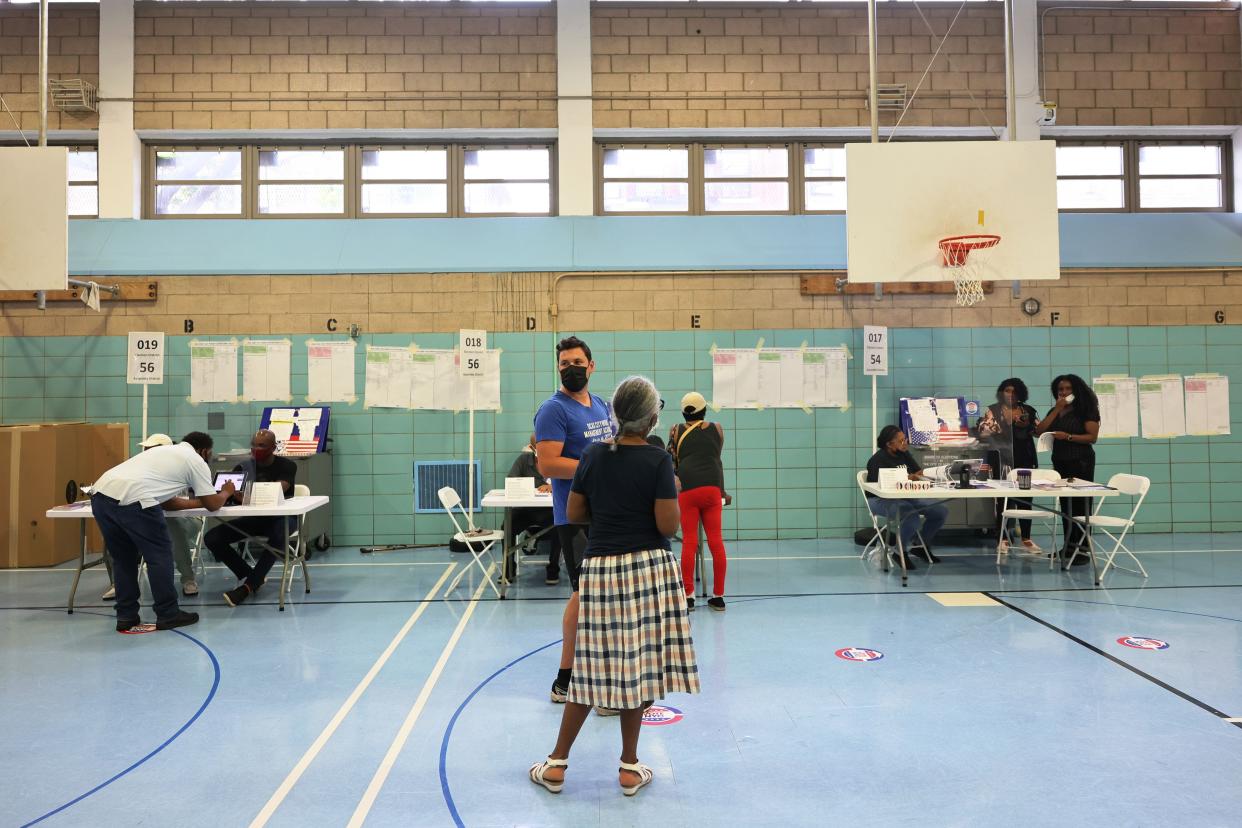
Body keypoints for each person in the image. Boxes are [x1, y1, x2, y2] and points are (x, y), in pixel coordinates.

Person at [528, 375, 699, 799]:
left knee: (587, 668)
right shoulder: (658, 460)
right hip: (648, 569)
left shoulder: (591, 455)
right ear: (652, 417)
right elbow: (667, 525)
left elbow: (576, 510)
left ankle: (556, 763)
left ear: (615, 413)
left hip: (600, 568)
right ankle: (628, 766)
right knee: (638, 670)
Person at [533, 336, 615, 706]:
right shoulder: (553, 409)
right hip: (575, 515)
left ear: (591, 365)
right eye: (565, 363)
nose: (572, 368)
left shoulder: (601, 406)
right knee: (587, 595)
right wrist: (595, 467)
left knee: (593, 596)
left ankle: (574, 679)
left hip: (607, 514)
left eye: (578, 362)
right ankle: (569, 680)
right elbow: (548, 464)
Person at [90, 431, 233, 631]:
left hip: (100, 495)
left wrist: (195, 502)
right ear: (205, 451)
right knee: (159, 557)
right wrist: (227, 491)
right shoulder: (195, 460)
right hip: (135, 500)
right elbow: (212, 504)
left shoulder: (164, 452)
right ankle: (168, 614)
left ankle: (126, 615)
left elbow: (166, 501)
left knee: (123, 559)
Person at [101, 433, 201, 600]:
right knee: (119, 532)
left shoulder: (181, 465)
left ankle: (188, 578)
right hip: (150, 519)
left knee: (172, 527)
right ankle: (119, 583)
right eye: (146, 449)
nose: (147, 452)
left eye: (151, 449)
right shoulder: (137, 468)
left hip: (187, 518)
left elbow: (172, 503)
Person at [205, 429, 298, 606]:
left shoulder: (287, 466)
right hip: (255, 519)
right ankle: (251, 576)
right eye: (253, 444)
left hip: (283, 519)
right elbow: (229, 492)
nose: (256, 448)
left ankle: (247, 587)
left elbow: (275, 491)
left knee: (279, 536)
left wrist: (245, 496)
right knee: (212, 538)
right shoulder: (242, 467)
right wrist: (227, 493)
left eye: (261, 445)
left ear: (273, 447)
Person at [668, 391, 730, 612]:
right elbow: (716, 460)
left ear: (684, 412)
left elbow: (672, 460)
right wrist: (722, 491)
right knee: (716, 541)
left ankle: (689, 597)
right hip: (712, 488)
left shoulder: (676, 430)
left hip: (688, 489)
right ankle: (718, 597)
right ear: (705, 410)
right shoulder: (718, 429)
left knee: (689, 542)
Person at [1035, 374, 1100, 566]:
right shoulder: (1057, 410)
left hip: (1081, 461)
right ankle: (1068, 547)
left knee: (1081, 506)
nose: (1063, 393)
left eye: (1067, 389)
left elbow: (1092, 437)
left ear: (1076, 390)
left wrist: (1068, 437)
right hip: (1061, 462)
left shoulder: (1086, 410)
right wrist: (1056, 410)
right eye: (1060, 390)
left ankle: (1082, 550)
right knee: (1066, 506)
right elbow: (1040, 431)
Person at [864, 425, 949, 570]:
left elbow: (918, 472)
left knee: (940, 511)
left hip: (905, 495)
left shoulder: (904, 454)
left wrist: (935, 472)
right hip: (880, 499)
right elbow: (881, 486)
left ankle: (920, 545)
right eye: (901, 440)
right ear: (889, 444)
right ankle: (899, 551)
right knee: (911, 516)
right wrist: (908, 477)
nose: (905, 443)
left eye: (905, 439)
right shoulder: (877, 460)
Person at [977, 378, 1042, 555]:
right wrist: (1007, 422)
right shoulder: (993, 410)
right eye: (1007, 390)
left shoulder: (1027, 410)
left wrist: (1025, 423)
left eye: (1014, 391)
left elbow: (1040, 431)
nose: (1010, 394)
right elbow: (983, 431)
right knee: (1002, 500)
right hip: (1001, 459)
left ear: (1021, 393)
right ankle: (1002, 538)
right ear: (1001, 392)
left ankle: (1026, 539)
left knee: (1025, 499)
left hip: (1024, 459)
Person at [506, 433, 560, 583]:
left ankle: (553, 569)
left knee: (561, 526)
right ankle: (509, 568)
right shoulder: (523, 460)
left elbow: (571, 480)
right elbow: (512, 481)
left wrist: (553, 486)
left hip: (549, 511)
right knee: (507, 526)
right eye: (539, 447)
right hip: (525, 510)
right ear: (532, 448)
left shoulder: (558, 460)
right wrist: (532, 488)